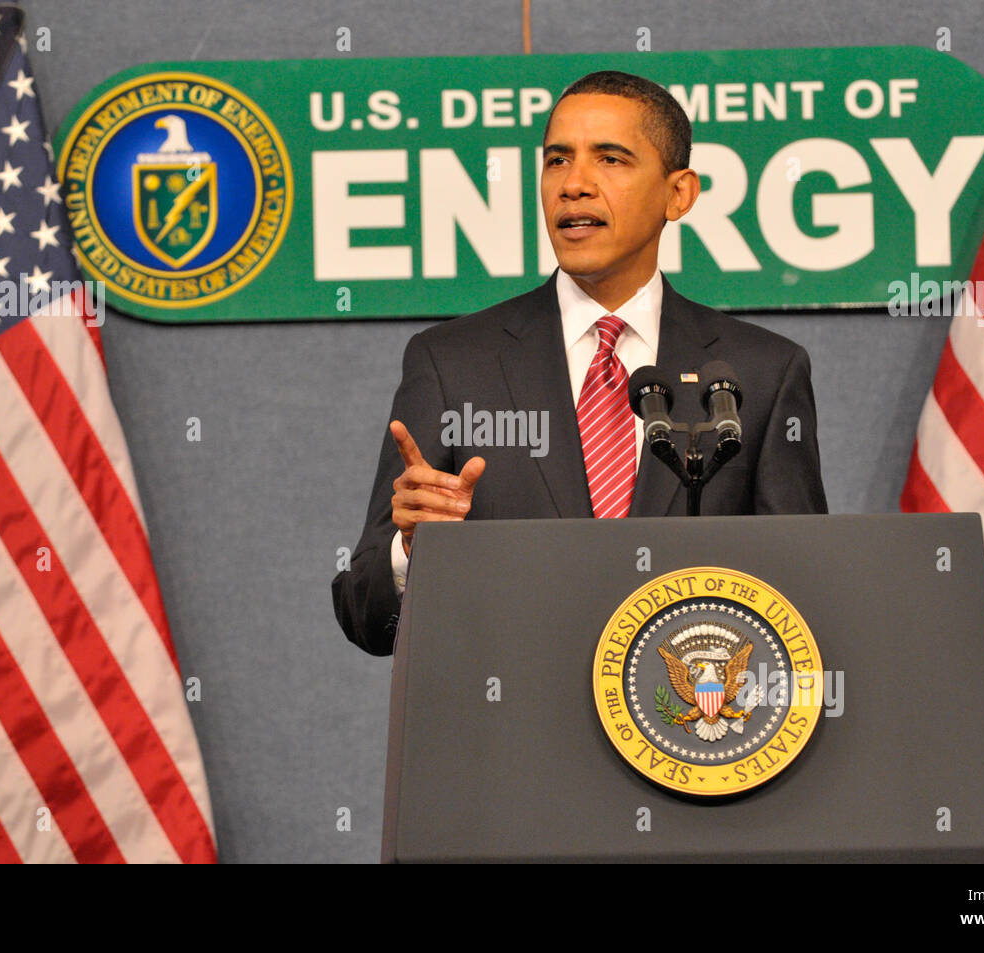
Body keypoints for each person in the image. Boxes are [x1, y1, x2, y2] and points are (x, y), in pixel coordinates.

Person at [332, 70, 827, 657]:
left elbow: (804, 598)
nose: (574, 185)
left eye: (610, 159)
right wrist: (412, 551)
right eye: (557, 160)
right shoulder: (452, 364)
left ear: (679, 194)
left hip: (688, 704)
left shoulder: (761, 373)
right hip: (509, 711)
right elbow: (365, 617)